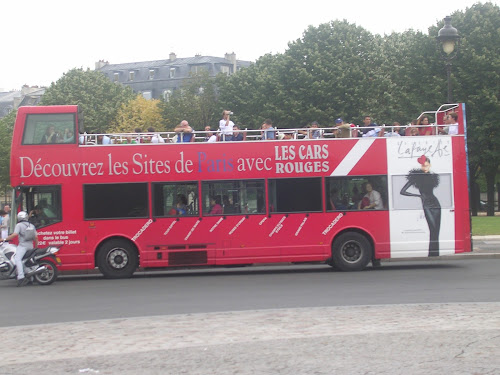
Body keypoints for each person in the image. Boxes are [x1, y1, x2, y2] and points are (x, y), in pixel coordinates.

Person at [400, 155, 441, 256]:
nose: (425, 168)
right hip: (427, 204)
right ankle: (432, 254)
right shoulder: (416, 177)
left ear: (429, 165)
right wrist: (418, 196)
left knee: (436, 231)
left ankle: (435, 254)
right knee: (433, 229)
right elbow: (403, 191)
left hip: (436, 203)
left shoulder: (432, 176)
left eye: (426, 165)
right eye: (423, 166)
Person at [2, 211, 38, 287]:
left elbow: (15, 234)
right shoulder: (31, 225)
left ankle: (21, 277)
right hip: (30, 246)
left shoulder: (19, 225)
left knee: (17, 259)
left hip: (23, 246)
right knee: (25, 261)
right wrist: (36, 247)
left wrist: (5, 239)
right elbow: (36, 237)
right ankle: (30, 278)